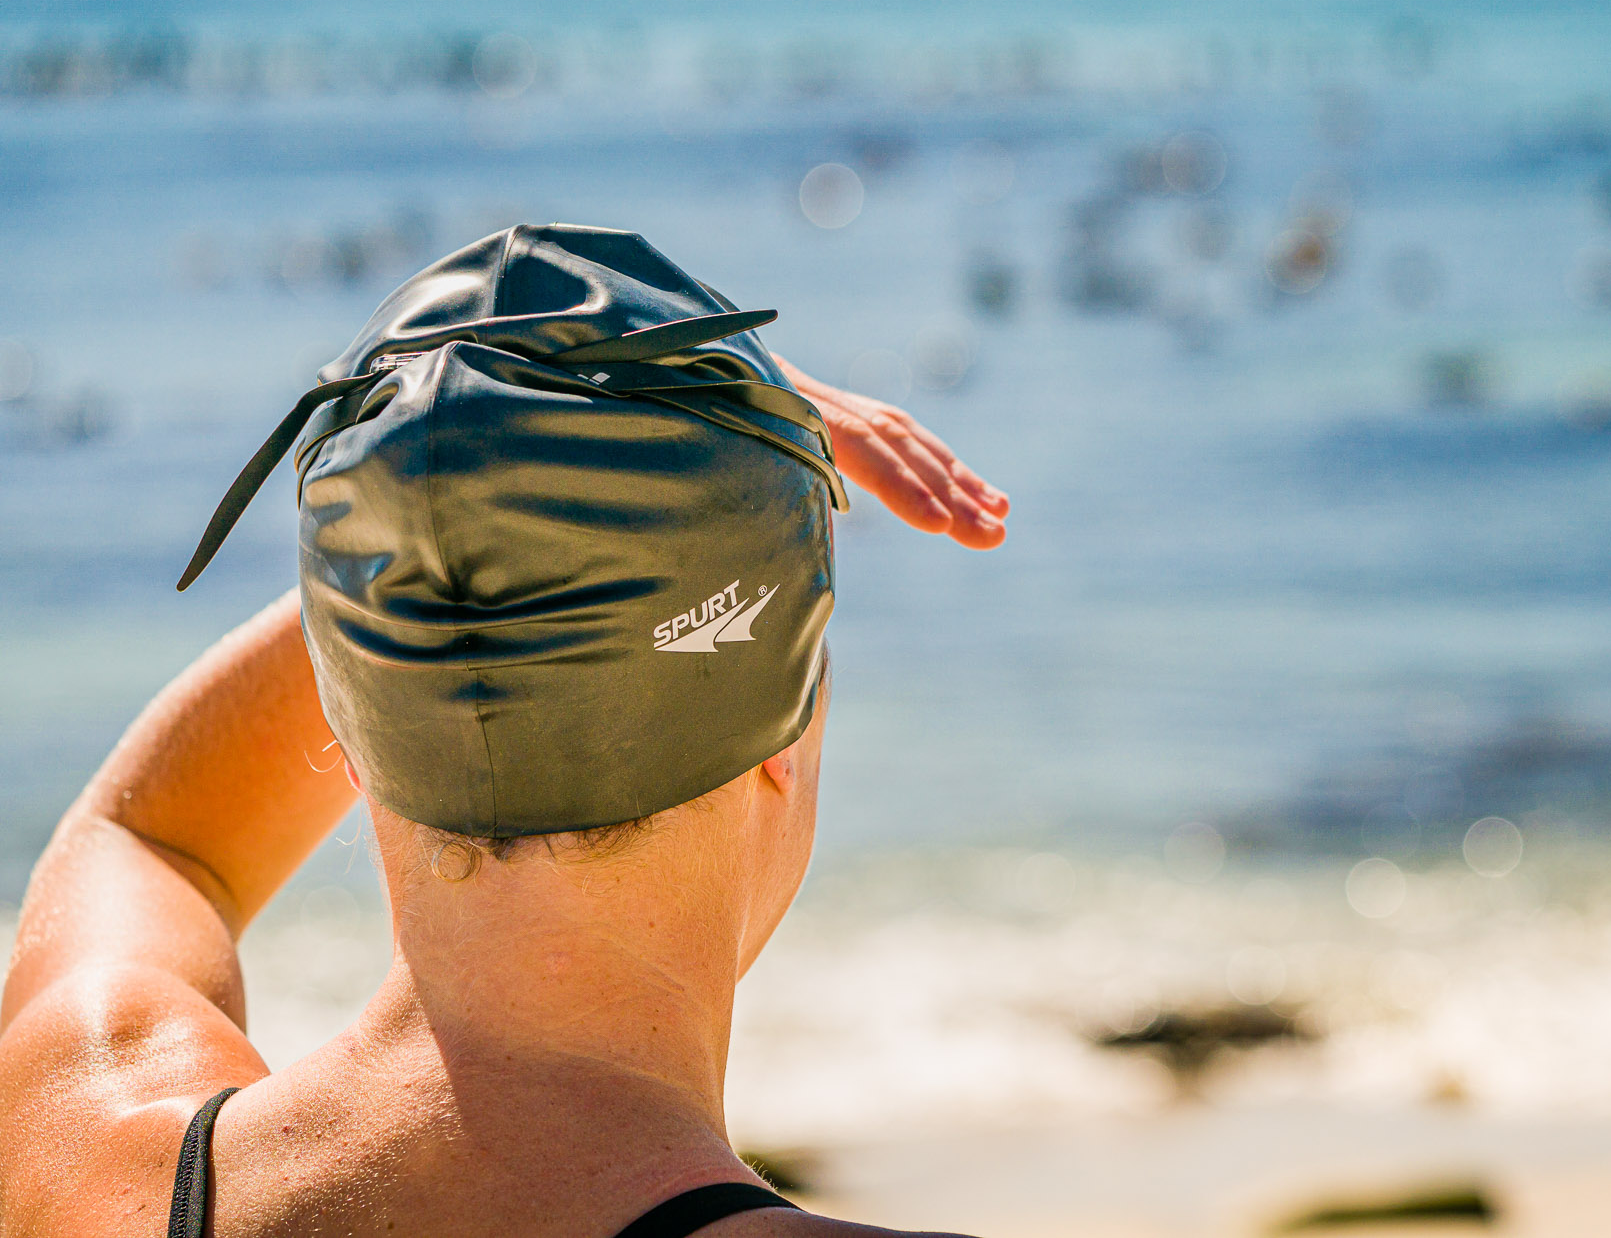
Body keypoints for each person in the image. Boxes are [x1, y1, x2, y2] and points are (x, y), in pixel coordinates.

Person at [0, 226, 1008, 1237]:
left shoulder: (89, 1162)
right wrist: (705, 439)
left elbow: (151, 837)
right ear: (783, 735)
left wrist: (427, 525)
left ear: (354, 729)